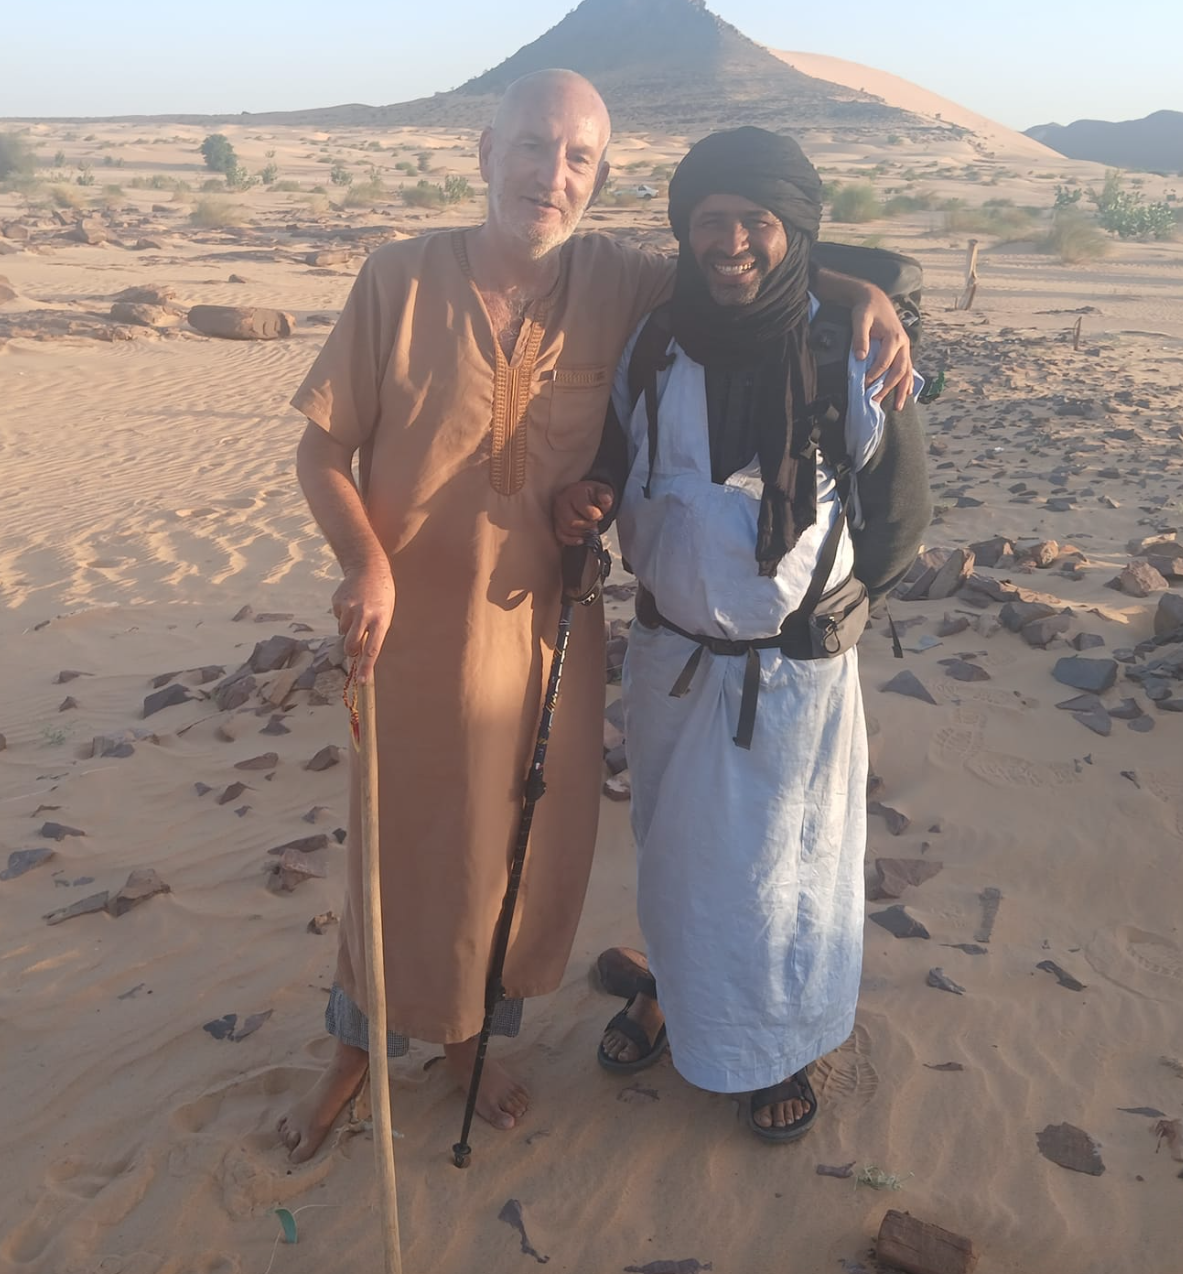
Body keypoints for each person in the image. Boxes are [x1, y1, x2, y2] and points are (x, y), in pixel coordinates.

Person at [280, 71, 915, 1162]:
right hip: (412, 628)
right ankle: (356, 1045)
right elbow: (320, 448)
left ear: (602, 178)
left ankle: (473, 1042)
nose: (550, 174)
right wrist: (364, 566)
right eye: (532, 146)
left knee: (517, 849)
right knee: (397, 842)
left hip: (545, 632)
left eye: (577, 159)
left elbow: (749, 259)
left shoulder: (620, 283)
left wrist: (875, 293)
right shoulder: (398, 277)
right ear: (486, 150)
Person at [552, 126, 931, 1142]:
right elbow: (612, 459)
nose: (731, 242)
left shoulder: (844, 342)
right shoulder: (656, 338)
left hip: (795, 670)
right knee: (677, 855)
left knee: (787, 865)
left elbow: (901, 503)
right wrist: (588, 506)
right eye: (709, 220)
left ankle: (782, 1041)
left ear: (793, 229)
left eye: (755, 221)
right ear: (685, 228)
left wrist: (859, 598)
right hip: (673, 656)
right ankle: (671, 995)